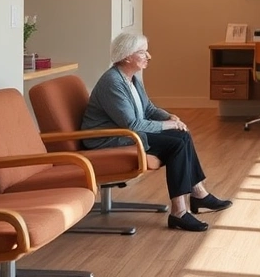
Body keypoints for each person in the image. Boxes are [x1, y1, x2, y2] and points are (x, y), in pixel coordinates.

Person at [82, 32, 232, 232]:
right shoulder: (113, 82)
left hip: (125, 132)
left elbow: (148, 109)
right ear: (127, 57)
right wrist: (167, 126)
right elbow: (132, 124)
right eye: (143, 52)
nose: (148, 56)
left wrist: (169, 117)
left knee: (183, 135)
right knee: (177, 142)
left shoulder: (131, 78)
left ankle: (197, 194)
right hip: (107, 139)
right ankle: (180, 211)